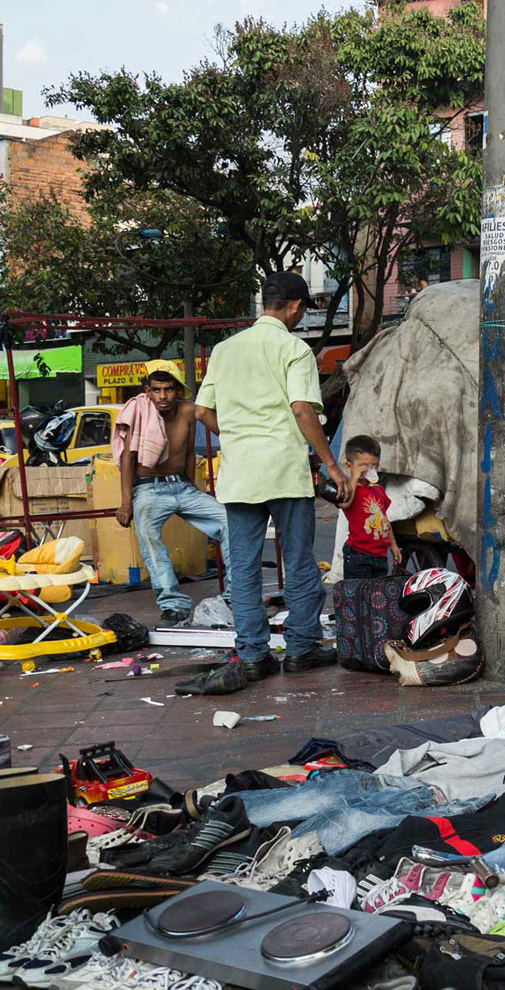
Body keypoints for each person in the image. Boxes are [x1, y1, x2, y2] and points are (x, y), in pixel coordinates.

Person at [178, 272, 352, 695]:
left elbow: (202, 412)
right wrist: (330, 464)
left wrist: (238, 435)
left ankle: (253, 655)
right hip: (285, 469)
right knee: (298, 562)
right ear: (293, 306)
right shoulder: (294, 349)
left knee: (243, 566)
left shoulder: (225, 349)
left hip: (240, 472)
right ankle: (301, 648)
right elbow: (302, 411)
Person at [112, 361, 228, 628]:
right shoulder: (139, 410)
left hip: (183, 486)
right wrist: (125, 502)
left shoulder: (188, 411)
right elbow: (129, 460)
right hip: (148, 488)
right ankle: (173, 605)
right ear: (147, 391)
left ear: (178, 391)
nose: (162, 396)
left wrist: (194, 488)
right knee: (149, 538)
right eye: (156, 390)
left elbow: (188, 452)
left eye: (168, 389)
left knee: (228, 520)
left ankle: (234, 595)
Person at [337, 434, 400, 580]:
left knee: (376, 596)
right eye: (363, 466)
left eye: (373, 466)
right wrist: (355, 476)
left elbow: (384, 520)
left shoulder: (378, 490)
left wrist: (393, 545)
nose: (368, 470)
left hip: (380, 555)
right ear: (349, 466)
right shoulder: (348, 489)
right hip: (357, 555)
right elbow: (345, 503)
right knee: (358, 595)